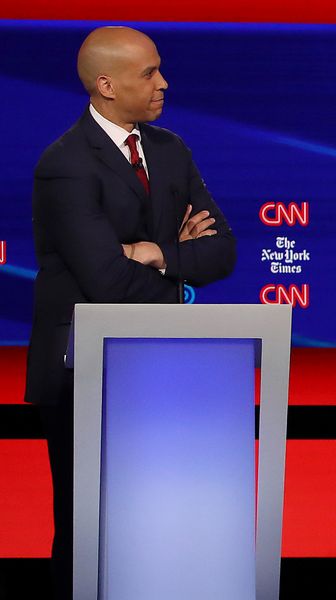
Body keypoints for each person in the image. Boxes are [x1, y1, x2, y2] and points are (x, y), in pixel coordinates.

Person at [25, 26, 236, 598]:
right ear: (106, 84)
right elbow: (106, 282)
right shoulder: (66, 164)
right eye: (149, 73)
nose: (163, 82)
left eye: (160, 69)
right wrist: (177, 264)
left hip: (157, 363)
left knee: (156, 514)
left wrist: (156, 252)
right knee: (87, 523)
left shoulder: (169, 149)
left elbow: (222, 252)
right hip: (82, 372)